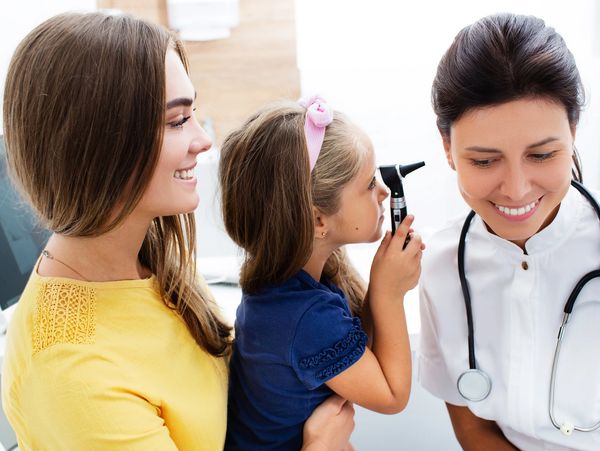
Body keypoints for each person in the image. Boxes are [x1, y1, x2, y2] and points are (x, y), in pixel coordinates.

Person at [1, 12, 355, 450]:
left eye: (192, 113)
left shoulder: (151, 256)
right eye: (176, 121)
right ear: (98, 147)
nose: (202, 140)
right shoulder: (70, 374)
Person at [418, 13, 600, 451]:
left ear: (572, 134)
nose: (516, 189)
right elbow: (474, 426)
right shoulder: (443, 264)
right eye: (484, 161)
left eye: (541, 154)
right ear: (448, 149)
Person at [219, 96, 424, 449]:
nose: (384, 191)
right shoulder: (306, 318)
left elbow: (360, 350)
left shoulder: (287, 284)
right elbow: (392, 395)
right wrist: (389, 293)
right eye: (368, 185)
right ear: (317, 220)